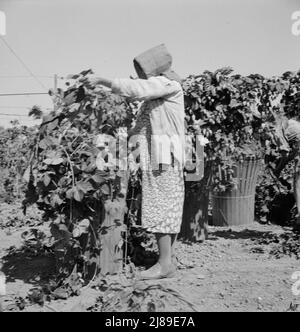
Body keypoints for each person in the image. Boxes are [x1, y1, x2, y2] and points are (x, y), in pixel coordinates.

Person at [88, 44, 185, 279]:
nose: (142, 77)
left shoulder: (167, 84)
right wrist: (117, 143)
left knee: (163, 208)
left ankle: (164, 264)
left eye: (143, 72)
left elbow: (139, 89)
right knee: (166, 208)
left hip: (165, 157)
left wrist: (104, 81)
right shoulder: (157, 93)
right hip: (157, 156)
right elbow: (139, 127)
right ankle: (167, 263)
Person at [274, 116, 300, 228]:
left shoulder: (277, 132)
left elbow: (285, 156)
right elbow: (292, 154)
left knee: (298, 183)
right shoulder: (292, 123)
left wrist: (277, 170)